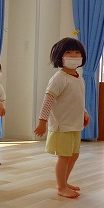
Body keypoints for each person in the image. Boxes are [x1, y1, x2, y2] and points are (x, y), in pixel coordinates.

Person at [34, 37, 90, 199]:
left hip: (74, 125)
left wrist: (84, 112)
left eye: (77, 52)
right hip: (62, 126)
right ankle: (61, 187)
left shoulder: (79, 78)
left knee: (74, 155)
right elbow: (48, 100)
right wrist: (42, 122)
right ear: (60, 56)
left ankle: (64, 182)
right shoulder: (59, 78)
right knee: (64, 157)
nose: (73, 56)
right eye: (69, 52)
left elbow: (77, 99)